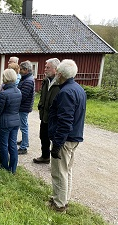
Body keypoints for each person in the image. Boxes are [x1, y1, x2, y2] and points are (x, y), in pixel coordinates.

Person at [48, 59, 86, 213]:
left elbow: (65, 121)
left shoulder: (66, 92)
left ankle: (59, 204)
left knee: (59, 172)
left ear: (61, 74)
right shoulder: (78, 89)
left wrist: (57, 144)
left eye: (57, 71)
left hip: (65, 139)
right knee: (67, 171)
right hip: (73, 137)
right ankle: (63, 198)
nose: (56, 73)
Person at [0, 68, 22, 174]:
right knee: (13, 144)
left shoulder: (3, 94)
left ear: (5, 78)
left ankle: (4, 165)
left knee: (4, 145)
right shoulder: (18, 91)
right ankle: (13, 168)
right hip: (15, 121)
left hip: (4, 122)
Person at [33, 58, 60, 164]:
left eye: (47, 67)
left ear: (55, 69)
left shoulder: (60, 83)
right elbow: (42, 96)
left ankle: (56, 163)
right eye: (45, 67)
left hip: (54, 117)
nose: (45, 69)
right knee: (43, 136)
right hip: (44, 115)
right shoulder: (46, 80)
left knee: (54, 139)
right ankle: (45, 156)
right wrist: (41, 105)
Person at [17, 60, 35, 154]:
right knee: (23, 125)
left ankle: (23, 147)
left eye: (21, 69)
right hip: (24, 107)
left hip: (23, 107)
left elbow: (23, 96)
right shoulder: (26, 78)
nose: (20, 71)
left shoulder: (28, 81)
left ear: (26, 70)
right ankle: (25, 141)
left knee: (23, 127)